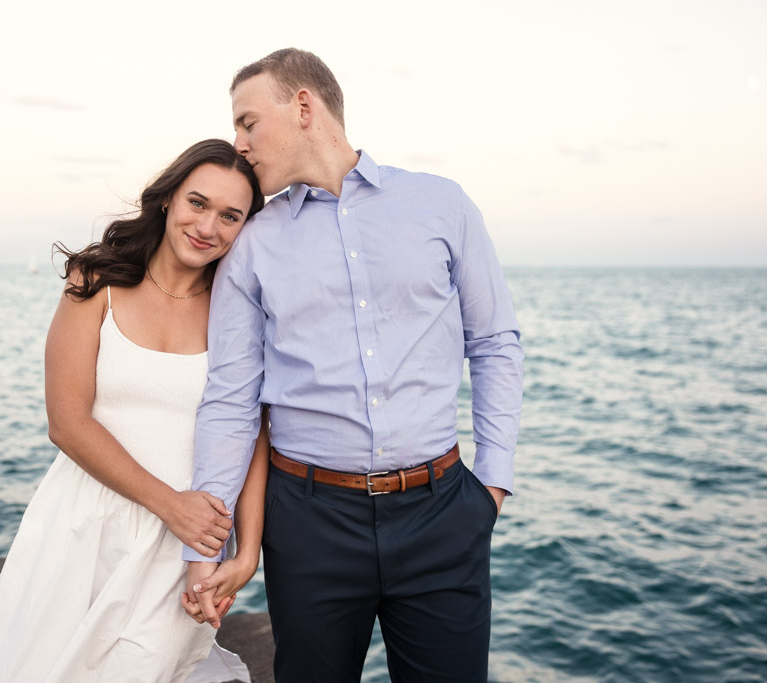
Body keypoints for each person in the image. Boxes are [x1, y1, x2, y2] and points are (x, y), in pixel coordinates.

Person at [184, 49, 524, 682]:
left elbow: (496, 342)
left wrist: (492, 488)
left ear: (304, 106)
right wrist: (205, 545)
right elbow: (232, 398)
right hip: (308, 523)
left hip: (441, 514)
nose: (240, 143)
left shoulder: (442, 205)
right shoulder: (253, 242)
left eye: (248, 122)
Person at [0, 139, 267, 683]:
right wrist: (170, 504)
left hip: (183, 543)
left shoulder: (239, 304)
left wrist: (246, 548)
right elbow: (67, 421)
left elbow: (253, 430)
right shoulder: (95, 279)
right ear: (169, 198)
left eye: (230, 215)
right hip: (84, 526)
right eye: (197, 203)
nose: (207, 226)